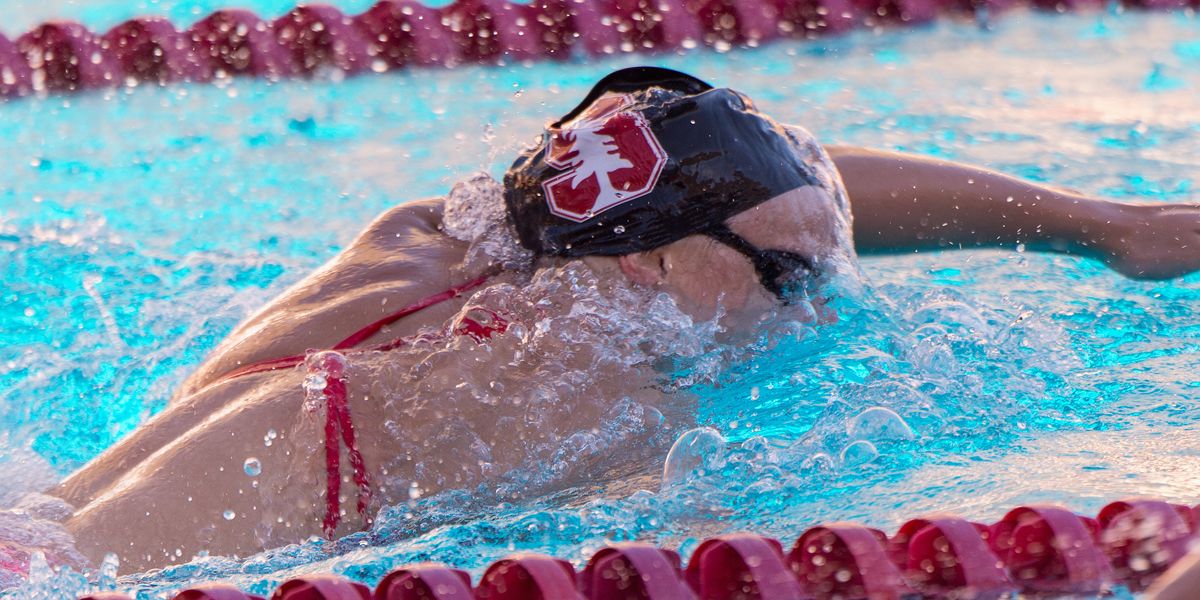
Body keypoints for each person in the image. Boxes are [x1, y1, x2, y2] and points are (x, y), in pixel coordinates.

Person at [10, 67, 1200, 574]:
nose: (821, 300)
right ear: (658, 268)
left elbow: (783, 184)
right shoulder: (605, 405)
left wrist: (1093, 222)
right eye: (790, 278)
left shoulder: (438, 236)